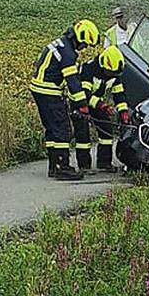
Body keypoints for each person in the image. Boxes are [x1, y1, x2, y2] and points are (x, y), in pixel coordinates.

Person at [30, 19, 99, 181]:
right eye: (85, 45)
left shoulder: (61, 43)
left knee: (52, 129)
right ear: (79, 38)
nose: (84, 48)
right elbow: (73, 82)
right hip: (49, 91)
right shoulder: (68, 54)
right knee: (63, 129)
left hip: (38, 88)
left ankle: (54, 166)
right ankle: (63, 168)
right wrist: (82, 106)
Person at [71, 45, 131, 173]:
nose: (112, 76)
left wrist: (123, 112)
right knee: (83, 135)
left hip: (97, 102)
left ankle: (104, 163)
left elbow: (119, 95)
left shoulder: (114, 72)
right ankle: (84, 166)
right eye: (110, 73)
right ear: (104, 66)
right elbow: (84, 94)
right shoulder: (89, 69)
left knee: (106, 131)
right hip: (80, 102)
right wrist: (102, 105)